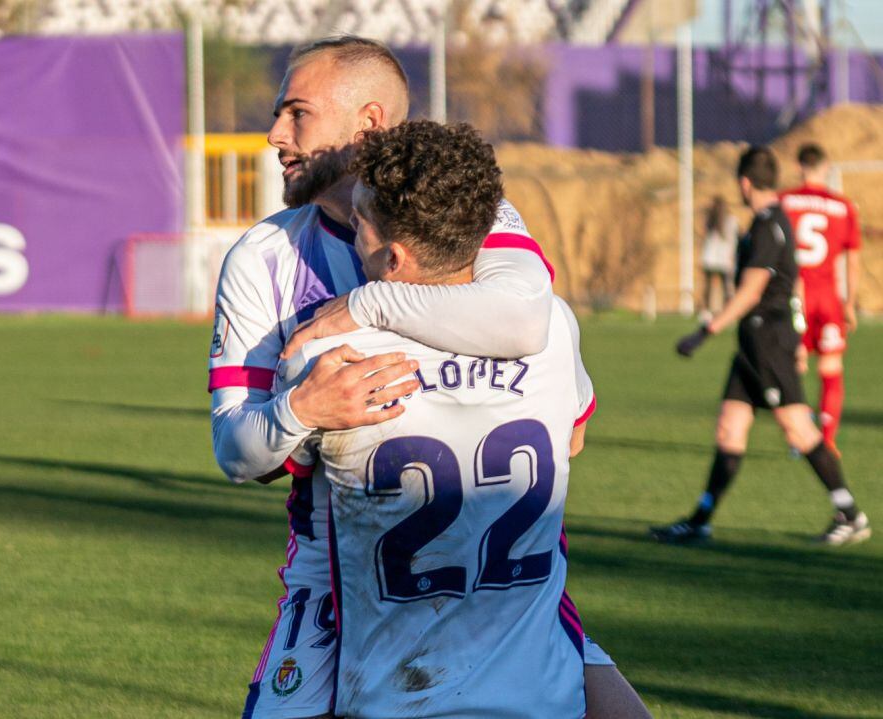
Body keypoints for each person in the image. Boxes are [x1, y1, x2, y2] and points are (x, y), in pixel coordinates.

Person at [207, 35, 640, 719]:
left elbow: (524, 319)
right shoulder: (262, 258)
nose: (273, 134)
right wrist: (303, 408)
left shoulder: (475, 220)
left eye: (298, 114)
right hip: (340, 595)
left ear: (369, 124)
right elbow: (239, 454)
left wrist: (360, 306)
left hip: (500, 590)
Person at [653, 146, 870, 547]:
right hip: (757, 344)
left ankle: (850, 513)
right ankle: (700, 520)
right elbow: (798, 282)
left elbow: (752, 290)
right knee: (730, 428)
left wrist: (706, 331)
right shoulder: (771, 220)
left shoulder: (770, 223)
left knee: (797, 426)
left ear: (745, 182)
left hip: (769, 340)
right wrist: (802, 334)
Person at [779, 143, 862, 454]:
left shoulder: (783, 201)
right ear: (825, 167)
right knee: (831, 367)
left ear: (800, 166)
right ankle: (826, 438)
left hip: (793, 296)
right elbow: (851, 261)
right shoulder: (843, 206)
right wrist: (849, 303)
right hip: (827, 299)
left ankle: (796, 436)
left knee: (791, 365)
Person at [699, 195, 738, 314]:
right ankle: (725, 310)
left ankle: (708, 310)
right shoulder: (713, 220)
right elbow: (733, 240)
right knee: (724, 286)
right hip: (719, 257)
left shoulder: (727, 220)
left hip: (714, 257)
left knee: (714, 286)